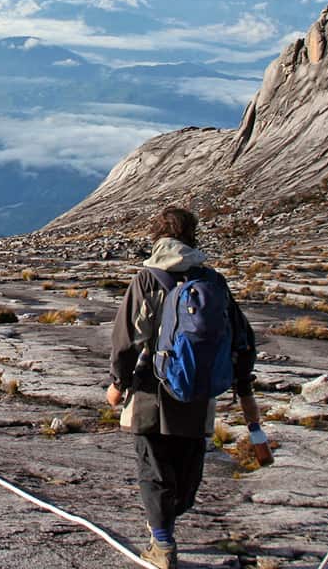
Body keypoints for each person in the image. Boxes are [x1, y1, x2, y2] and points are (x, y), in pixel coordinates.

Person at [106, 207, 263, 569]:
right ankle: (166, 521)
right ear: (193, 237)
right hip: (198, 391)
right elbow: (240, 337)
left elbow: (126, 338)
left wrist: (118, 383)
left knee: (154, 468)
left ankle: (161, 543)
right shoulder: (212, 281)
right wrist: (243, 386)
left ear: (156, 236)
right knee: (187, 469)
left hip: (151, 389)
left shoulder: (147, 279)